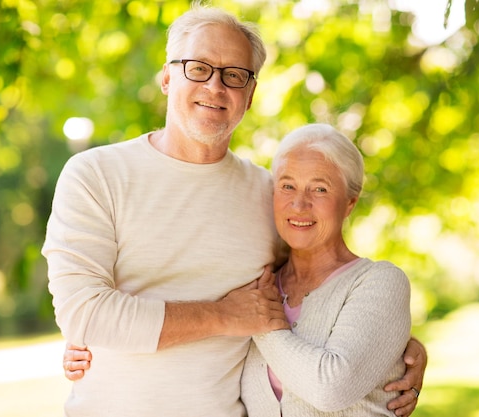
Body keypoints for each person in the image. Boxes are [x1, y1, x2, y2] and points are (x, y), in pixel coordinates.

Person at [43, 4, 425, 417]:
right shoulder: (96, 174)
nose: (215, 86)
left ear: (250, 94)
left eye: (234, 75)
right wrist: (223, 316)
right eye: (198, 67)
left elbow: (318, 287)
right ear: (168, 77)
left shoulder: (269, 195)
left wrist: (400, 351)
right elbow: (83, 311)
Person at [239, 123, 411, 416]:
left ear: (349, 203)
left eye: (319, 188)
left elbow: (330, 389)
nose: (299, 203)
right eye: (287, 185)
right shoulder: (258, 282)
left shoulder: (380, 282)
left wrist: (261, 322)